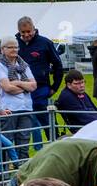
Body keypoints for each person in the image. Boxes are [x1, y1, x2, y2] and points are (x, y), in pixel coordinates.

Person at [16, 17, 66, 150]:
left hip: (40, 89)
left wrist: (54, 87)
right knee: (23, 124)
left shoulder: (45, 43)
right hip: (20, 90)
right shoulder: (14, 44)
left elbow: (57, 65)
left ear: (34, 28)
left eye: (28, 31)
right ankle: (22, 155)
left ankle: (56, 148)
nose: (26, 35)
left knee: (48, 122)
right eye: (23, 32)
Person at [0, 38, 38, 159]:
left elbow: (34, 86)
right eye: (10, 47)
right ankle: (4, 172)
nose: (14, 49)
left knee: (24, 141)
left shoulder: (23, 65)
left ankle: (22, 169)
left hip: (26, 107)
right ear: (2, 50)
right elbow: (7, 87)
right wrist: (25, 86)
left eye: (16, 47)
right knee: (7, 140)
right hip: (9, 108)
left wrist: (17, 82)